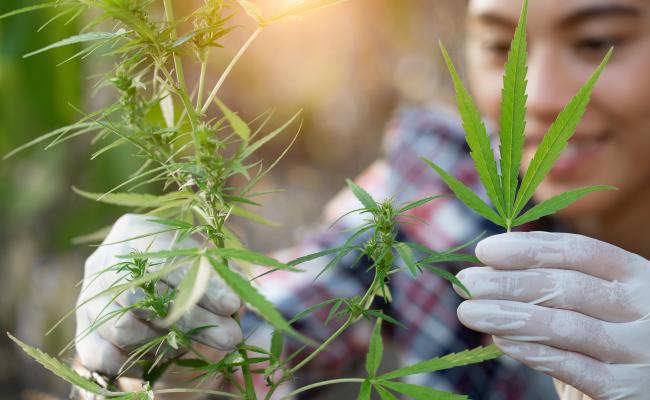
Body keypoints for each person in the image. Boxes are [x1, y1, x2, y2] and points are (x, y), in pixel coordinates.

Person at [73, 0, 650, 399]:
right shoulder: (435, 190)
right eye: (502, 46)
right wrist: (176, 329)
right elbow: (276, 329)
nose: (543, 96)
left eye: (598, 41)